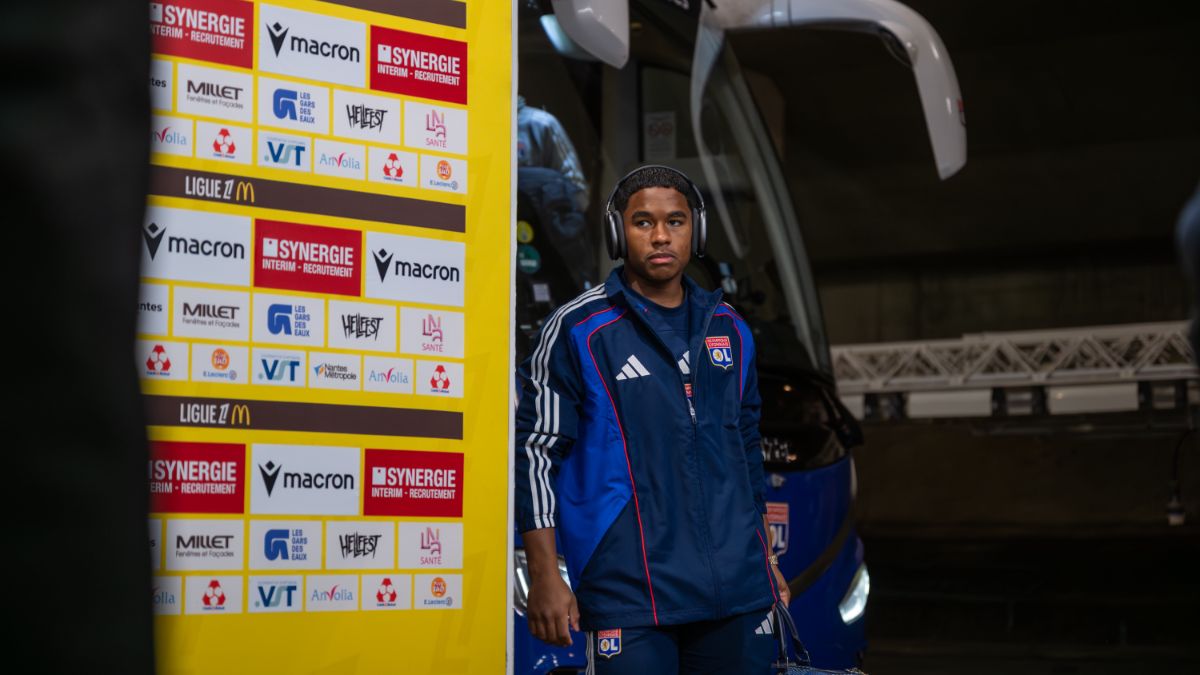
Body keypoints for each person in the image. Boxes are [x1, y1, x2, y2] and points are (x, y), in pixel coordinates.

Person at [515, 165, 790, 673]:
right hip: (630, 593)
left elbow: (746, 450)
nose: (661, 235)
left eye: (676, 221)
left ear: (696, 230)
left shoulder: (730, 329)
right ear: (619, 233)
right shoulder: (579, 330)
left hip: (737, 590)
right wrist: (545, 574)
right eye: (643, 222)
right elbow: (535, 453)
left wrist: (766, 562)